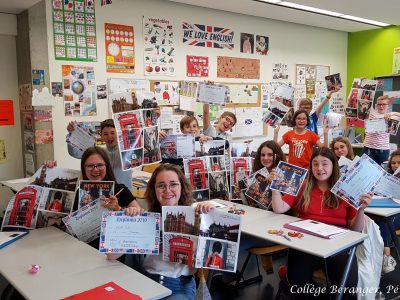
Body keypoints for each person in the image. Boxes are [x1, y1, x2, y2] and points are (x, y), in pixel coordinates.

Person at [271, 147, 372, 299]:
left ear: (333, 165)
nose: (319, 168)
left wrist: (361, 210)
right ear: (311, 167)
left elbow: (356, 230)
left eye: (325, 164)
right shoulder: (302, 185)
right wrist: (276, 187)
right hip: (306, 241)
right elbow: (279, 208)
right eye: (315, 164)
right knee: (297, 282)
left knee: (348, 285)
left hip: (337, 244)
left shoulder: (345, 189)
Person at [107, 164, 215, 300]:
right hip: (145, 281)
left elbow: (211, 255)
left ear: (182, 187)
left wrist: (211, 214)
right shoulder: (147, 218)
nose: (167, 190)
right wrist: (130, 222)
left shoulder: (197, 217)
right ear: (154, 190)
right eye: (161, 185)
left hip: (179, 286)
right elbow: (111, 255)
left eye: (173, 184)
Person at [45, 147, 142, 249]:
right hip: (80, 249)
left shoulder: (121, 190)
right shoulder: (78, 193)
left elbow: (141, 220)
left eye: (100, 165)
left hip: (112, 253)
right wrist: (51, 171)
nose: (95, 169)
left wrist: (118, 209)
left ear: (107, 166)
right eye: (90, 166)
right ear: (84, 168)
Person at [67, 119, 133, 191]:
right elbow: (75, 153)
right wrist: (72, 133)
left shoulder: (127, 150)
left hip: (124, 192)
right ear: (101, 136)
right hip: (104, 192)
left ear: (118, 133)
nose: (109, 136)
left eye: (112, 133)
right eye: (105, 134)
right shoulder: (99, 152)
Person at [363, 95, 392, 166]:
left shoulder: (391, 117)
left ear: (388, 106)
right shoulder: (370, 114)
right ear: (376, 105)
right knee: (366, 170)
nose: (381, 106)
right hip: (368, 148)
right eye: (379, 104)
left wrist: (391, 113)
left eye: (384, 104)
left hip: (383, 149)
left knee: (381, 172)